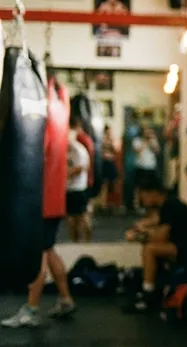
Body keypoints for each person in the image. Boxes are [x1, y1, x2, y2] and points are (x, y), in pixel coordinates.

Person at [1, 117, 78, 328]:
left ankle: (31, 310)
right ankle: (66, 299)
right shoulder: (59, 129)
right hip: (54, 201)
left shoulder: (40, 134)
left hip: (43, 202)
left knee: (40, 254)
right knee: (49, 250)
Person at [123, 179, 187, 313]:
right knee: (150, 245)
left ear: (154, 193)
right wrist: (139, 228)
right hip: (181, 245)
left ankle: (148, 295)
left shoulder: (171, 205)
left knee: (150, 249)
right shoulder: (168, 204)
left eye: (144, 196)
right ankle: (153, 288)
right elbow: (154, 221)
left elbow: (160, 236)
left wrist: (139, 236)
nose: (143, 201)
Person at [65, 117, 92, 243]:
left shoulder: (78, 149)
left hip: (79, 188)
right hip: (69, 188)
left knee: (82, 217)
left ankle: (87, 242)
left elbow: (81, 167)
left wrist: (64, 175)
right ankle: (74, 243)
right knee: (71, 219)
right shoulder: (65, 149)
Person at [132, 128, 159, 209]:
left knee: (151, 186)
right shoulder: (137, 140)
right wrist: (145, 141)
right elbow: (138, 150)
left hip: (151, 166)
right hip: (141, 166)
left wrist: (152, 141)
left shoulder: (153, 140)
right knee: (139, 186)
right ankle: (138, 204)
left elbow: (157, 151)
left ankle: (150, 204)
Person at [97, 126, 119, 211]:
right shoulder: (101, 139)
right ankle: (102, 204)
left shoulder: (112, 140)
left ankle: (113, 203)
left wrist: (111, 141)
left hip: (111, 162)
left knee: (113, 183)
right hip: (104, 162)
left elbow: (116, 149)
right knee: (104, 183)